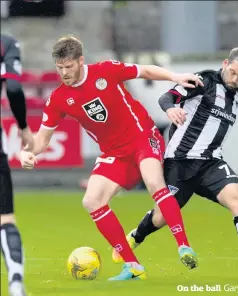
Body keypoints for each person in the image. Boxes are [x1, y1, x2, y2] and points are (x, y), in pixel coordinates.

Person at [19, 35, 204, 281]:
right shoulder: (59, 99)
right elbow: (42, 140)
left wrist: (175, 77)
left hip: (142, 137)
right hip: (114, 153)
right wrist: (28, 152)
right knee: (92, 200)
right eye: (60, 67)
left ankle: (184, 246)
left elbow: (145, 70)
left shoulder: (106, 70)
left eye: (69, 66)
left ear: (80, 61)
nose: (64, 72)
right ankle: (133, 266)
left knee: (153, 182)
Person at [112, 47, 238, 280]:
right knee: (162, 216)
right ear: (225, 63)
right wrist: (171, 108)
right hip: (180, 163)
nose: (235, 80)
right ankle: (136, 236)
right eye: (232, 72)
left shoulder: (235, 97)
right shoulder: (204, 81)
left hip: (211, 164)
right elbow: (167, 96)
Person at [1, 34, 34, 296]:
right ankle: (15, 281)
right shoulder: (6, 43)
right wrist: (23, 127)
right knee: (5, 219)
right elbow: (13, 88)